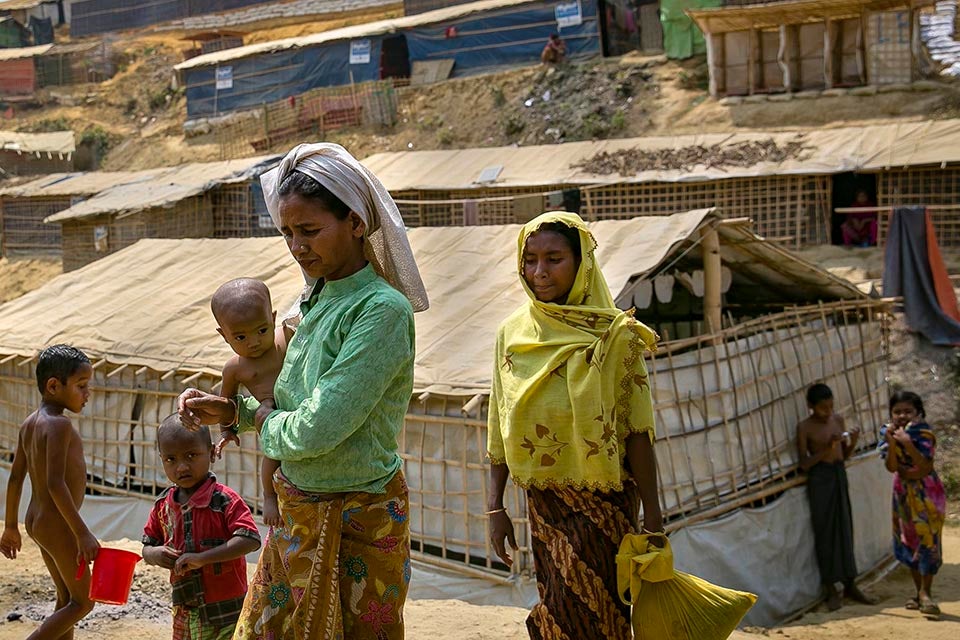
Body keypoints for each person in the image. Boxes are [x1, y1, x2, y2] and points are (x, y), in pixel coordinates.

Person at [176, 143, 428, 640]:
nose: (297, 247)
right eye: (288, 233)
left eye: (310, 231)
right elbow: (293, 405)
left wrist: (259, 420)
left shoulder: (380, 311)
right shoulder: (309, 302)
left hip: (358, 517)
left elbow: (317, 428)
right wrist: (232, 410)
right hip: (298, 514)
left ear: (356, 222)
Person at [486, 211, 663, 639]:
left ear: (581, 261)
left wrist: (654, 522)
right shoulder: (511, 334)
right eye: (530, 260)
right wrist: (495, 506)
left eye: (553, 259)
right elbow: (499, 423)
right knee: (558, 607)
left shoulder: (616, 336)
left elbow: (637, 433)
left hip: (605, 506)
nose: (539, 272)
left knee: (598, 614)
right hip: (544, 507)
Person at [0, 344, 100, 638]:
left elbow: (16, 478)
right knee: (84, 602)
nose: (87, 394)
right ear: (54, 386)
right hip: (56, 524)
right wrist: (82, 533)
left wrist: (10, 527)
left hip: (37, 521)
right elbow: (56, 483)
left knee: (66, 599)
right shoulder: (58, 426)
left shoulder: (30, 423)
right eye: (81, 386)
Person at [143, 415, 261, 640]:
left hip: (227, 611)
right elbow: (147, 546)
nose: (182, 467)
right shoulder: (163, 506)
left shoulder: (224, 500)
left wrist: (204, 558)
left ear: (212, 452)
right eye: (171, 459)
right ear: (161, 459)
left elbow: (250, 539)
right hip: (185, 610)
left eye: (191, 455)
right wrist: (156, 555)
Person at [210, 277, 287, 527]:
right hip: (272, 417)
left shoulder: (287, 338)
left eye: (262, 330)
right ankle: (269, 496)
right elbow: (226, 401)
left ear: (273, 318)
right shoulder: (235, 368)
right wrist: (226, 430)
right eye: (240, 337)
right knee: (272, 458)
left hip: (302, 408)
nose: (253, 341)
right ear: (224, 336)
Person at [796, 383, 874, 611]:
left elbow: (844, 455)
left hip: (839, 475)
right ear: (810, 406)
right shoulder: (804, 428)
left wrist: (853, 441)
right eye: (822, 408)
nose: (827, 411)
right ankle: (830, 587)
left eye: (830, 406)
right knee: (825, 532)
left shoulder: (837, 420)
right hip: (820, 480)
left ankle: (850, 582)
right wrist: (826, 449)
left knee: (845, 527)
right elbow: (804, 464)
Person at [878, 391, 946, 618]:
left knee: (928, 540)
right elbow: (891, 467)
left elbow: (924, 467)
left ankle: (927, 593)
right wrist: (891, 442)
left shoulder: (924, 435)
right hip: (903, 493)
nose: (902, 416)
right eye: (897, 411)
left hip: (926, 493)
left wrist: (907, 443)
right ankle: (919, 593)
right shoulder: (887, 434)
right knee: (909, 541)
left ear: (918, 413)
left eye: (908, 411)